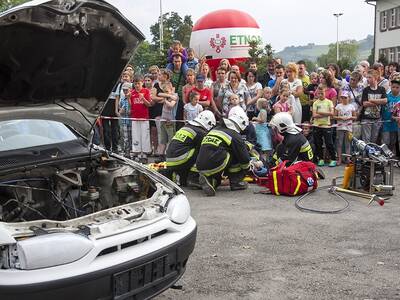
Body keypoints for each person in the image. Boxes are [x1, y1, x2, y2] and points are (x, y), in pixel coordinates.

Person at [196, 107, 251, 196]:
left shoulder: (214, 129)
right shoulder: (235, 135)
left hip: (200, 165)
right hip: (215, 163)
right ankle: (236, 183)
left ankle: (212, 182)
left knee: (223, 151)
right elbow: (244, 159)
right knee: (235, 154)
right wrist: (249, 168)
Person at [165, 110, 216, 187]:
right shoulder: (200, 132)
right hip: (181, 160)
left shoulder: (185, 127)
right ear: (208, 123)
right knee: (204, 151)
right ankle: (194, 178)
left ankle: (179, 176)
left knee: (184, 181)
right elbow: (205, 151)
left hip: (170, 160)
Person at [101, 71, 131, 152]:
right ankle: (107, 148)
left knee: (115, 129)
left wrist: (117, 109)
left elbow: (118, 98)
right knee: (106, 130)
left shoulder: (119, 84)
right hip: (104, 110)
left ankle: (115, 148)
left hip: (115, 109)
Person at [312, 84, 336, 167]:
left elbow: (332, 113)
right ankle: (321, 159)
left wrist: (320, 112)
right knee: (318, 143)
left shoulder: (329, 102)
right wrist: (326, 114)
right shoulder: (315, 103)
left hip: (326, 126)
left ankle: (333, 159)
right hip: (317, 125)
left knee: (329, 143)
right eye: (319, 93)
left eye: (322, 93)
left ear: (325, 93)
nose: (320, 95)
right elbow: (314, 115)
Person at [360, 69, 387, 143]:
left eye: (370, 77)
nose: (368, 79)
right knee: (366, 139)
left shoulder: (382, 89)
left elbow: (385, 101)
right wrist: (379, 102)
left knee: (374, 139)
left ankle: (371, 154)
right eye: (367, 77)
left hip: (377, 118)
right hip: (366, 118)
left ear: (375, 78)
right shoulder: (366, 90)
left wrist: (371, 100)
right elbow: (365, 103)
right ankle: (365, 154)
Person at [130, 75, 152, 163]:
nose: (137, 85)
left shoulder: (146, 91)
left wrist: (143, 98)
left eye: (138, 83)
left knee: (145, 135)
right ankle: (137, 152)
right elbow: (131, 104)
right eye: (135, 84)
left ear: (142, 83)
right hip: (135, 117)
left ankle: (145, 153)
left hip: (144, 118)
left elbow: (149, 104)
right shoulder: (132, 92)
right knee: (136, 135)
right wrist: (128, 97)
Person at [334, 91, 356, 165]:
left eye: (345, 98)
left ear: (349, 98)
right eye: (342, 98)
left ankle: (348, 158)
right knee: (339, 143)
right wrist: (340, 117)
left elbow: (355, 117)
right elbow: (334, 116)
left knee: (348, 143)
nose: (344, 99)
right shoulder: (338, 106)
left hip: (348, 127)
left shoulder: (351, 106)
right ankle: (339, 159)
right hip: (340, 127)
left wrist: (349, 117)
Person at [158, 82, 178, 159]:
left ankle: (169, 155)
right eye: (164, 91)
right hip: (163, 120)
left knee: (171, 139)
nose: (165, 93)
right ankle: (161, 155)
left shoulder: (175, 96)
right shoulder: (167, 96)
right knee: (163, 139)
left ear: (171, 90)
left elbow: (171, 105)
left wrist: (165, 100)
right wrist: (167, 96)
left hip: (170, 121)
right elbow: (159, 94)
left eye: (167, 91)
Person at [382, 75, 400, 152]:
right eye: (393, 87)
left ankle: (390, 157)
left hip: (396, 124)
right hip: (386, 122)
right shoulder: (386, 96)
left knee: (393, 142)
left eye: (397, 87)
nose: (395, 89)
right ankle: (385, 157)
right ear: (390, 86)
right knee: (386, 141)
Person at [170, 54, 186, 130]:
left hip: (182, 98)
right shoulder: (170, 73)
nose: (177, 63)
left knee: (181, 118)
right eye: (175, 61)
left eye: (179, 61)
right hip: (173, 98)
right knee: (173, 118)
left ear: (181, 62)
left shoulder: (184, 73)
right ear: (173, 62)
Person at [118, 82, 133, 157]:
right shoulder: (122, 99)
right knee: (126, 137)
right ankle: (127, 152)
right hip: (124, 121)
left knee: (132, 137)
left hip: (132, 121)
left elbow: (133, 109)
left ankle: (133, 151)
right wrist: (120, 111)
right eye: (124, 90)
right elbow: (120, 108)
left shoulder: (132, 97)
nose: (125, 91)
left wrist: (129, 98)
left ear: (130, 89)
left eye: (126, 90)